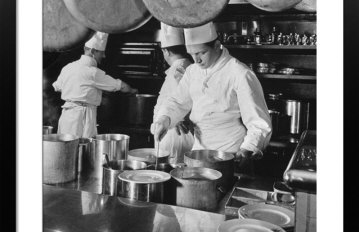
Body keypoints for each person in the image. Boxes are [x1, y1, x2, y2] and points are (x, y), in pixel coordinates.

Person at [151, 22, 272, 167]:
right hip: (198, 153)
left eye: (201, 53)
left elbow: (258, 123)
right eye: (192, 54)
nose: (196, 60)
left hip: (230, 153)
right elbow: (178, 102)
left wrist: (248, 149)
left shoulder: (239, 73)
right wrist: (165, 119)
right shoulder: (192, 71)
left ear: (216, 46)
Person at [53, 31, 137, 138]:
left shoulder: (68, 67)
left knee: (65, 150)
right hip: (82, 118)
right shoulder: (94, 72)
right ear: (93, 51)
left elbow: (58, 87)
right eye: (101, 52)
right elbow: (122, 86)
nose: (104, 56)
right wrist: (133, 91)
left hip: (66, 116)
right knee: (82, 150)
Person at [152, 23, 194, 163]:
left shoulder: (178, 71)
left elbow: (182, 101)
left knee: (172, 173)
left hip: (175, 135)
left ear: (166, 51)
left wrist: (179, 119)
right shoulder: (188, 66)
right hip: (175, 131)